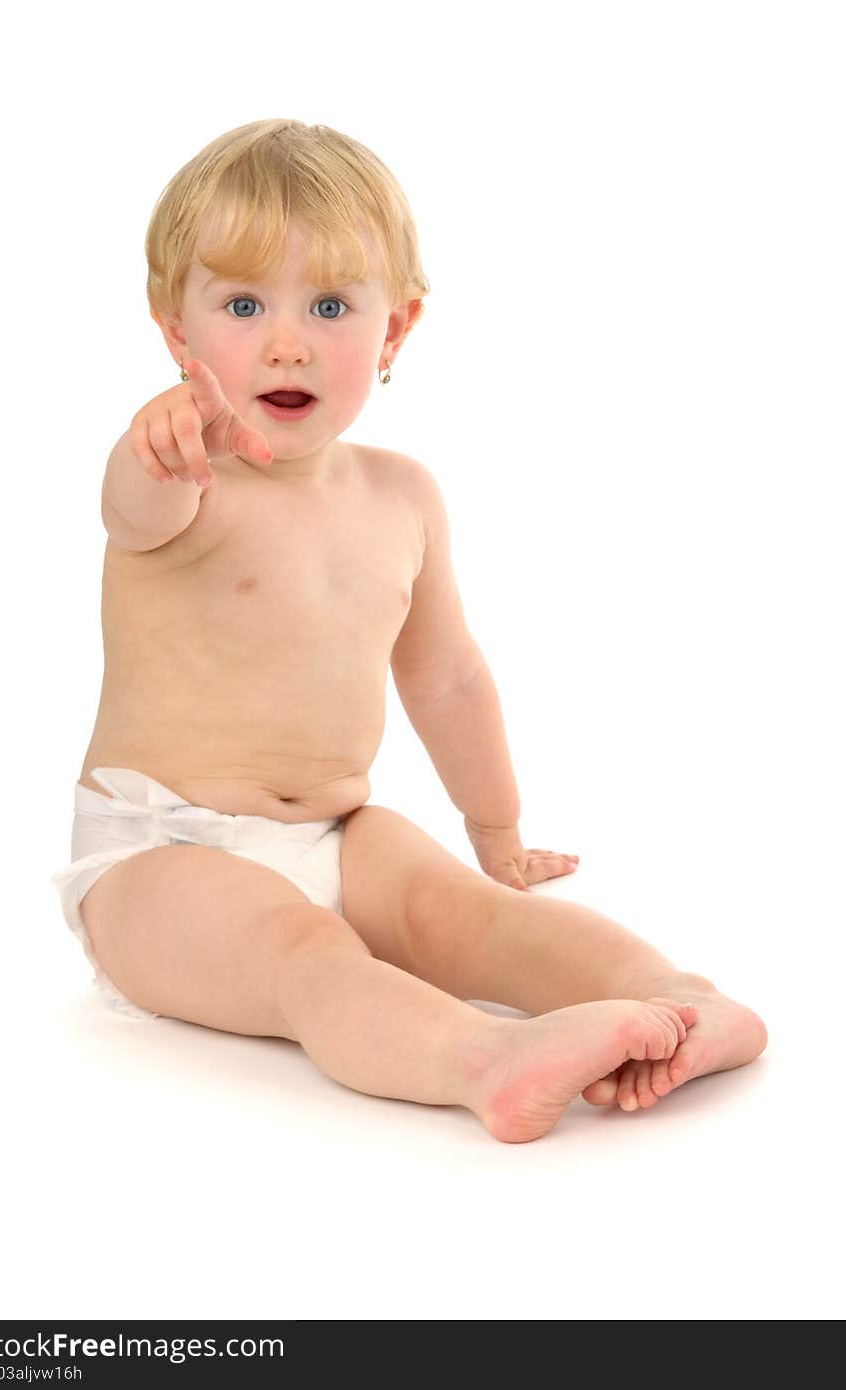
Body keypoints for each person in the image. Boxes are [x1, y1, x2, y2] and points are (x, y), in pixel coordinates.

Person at [50, 118, 767, 1143]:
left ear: (396, 330)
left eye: (330, 305)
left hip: (338, 827)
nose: (287, 339)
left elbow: (447, 678)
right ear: (177, 332)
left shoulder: (402, 497)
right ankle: (484, 1059)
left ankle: (680, 999)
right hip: (159, 852)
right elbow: (130, 510)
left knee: (472, 916)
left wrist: (496, 832)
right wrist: (153, 445)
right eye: (243, 305)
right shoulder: (181, 483)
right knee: (306, 957)